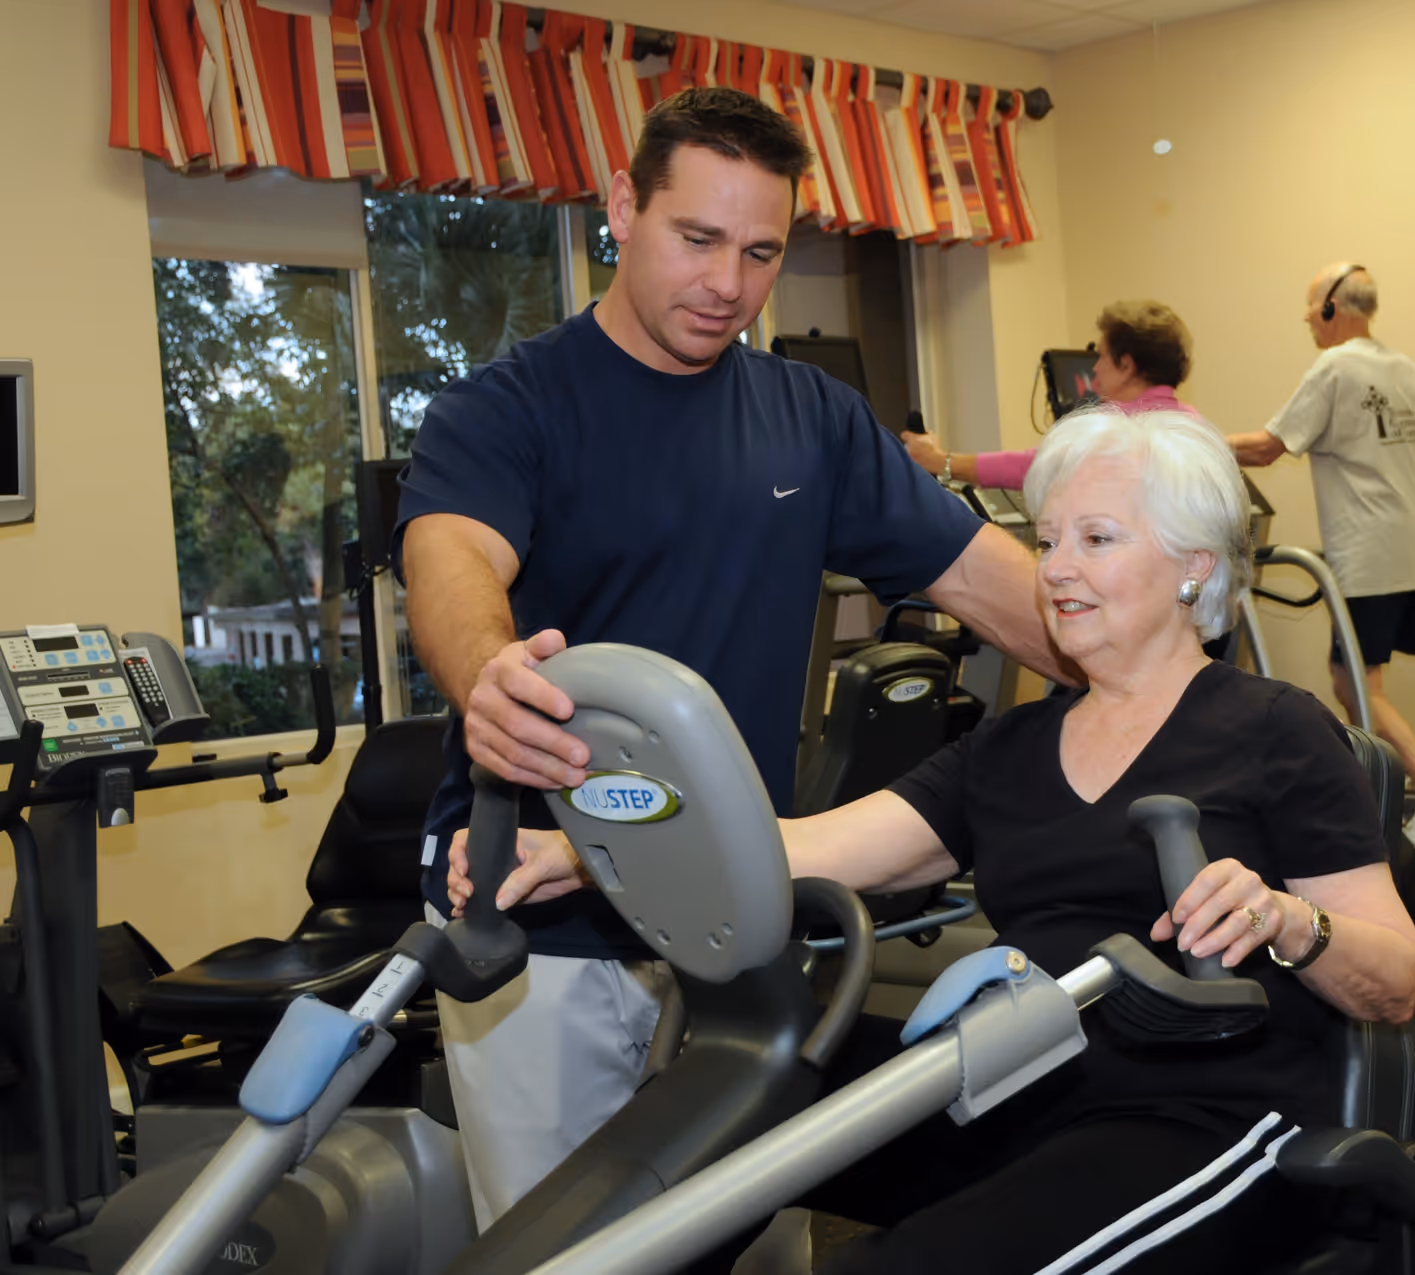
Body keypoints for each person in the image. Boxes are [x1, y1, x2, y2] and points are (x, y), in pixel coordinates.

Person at [451, 406, 1415, 1274]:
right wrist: (578, 851)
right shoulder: (1007, 748)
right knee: (741, 1110)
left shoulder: (1275, 728)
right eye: (1048, 542)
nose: (1057, 571)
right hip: (1021, 1087)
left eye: (1096, 538)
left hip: (1207, 1113)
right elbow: (792, 851)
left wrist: (1290, 921)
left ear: (1194, 567)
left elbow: (1394, 978)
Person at [393, 86, 1070, 1239]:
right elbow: (450, 562)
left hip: (734, 918)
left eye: (761, 251)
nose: (728, 284)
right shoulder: (510, 408)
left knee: (754, 1239)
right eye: (696, 238)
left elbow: (986, 582)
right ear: (622, 206)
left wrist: (1152, 665)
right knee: (570, 1255)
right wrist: (489, 675)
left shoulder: (810, 416)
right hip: (544, 920)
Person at [1223, 263, 1415, 849]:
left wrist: (1183, 434)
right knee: (1364, 680)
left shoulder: (1334, 367)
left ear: (1333, 310)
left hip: (1367, 551)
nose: (1309, 321)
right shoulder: (1409, 370)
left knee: (1352, 682)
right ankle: (1397, 793)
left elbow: (1265, 449)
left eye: (1311, 310)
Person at [904, 299, 1197, 489]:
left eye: (1103, 356)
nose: (1095, 368)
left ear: (1126, 365)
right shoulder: (1194, 425)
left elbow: (1032, 467)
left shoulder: (1112, 432)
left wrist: (940, 461)